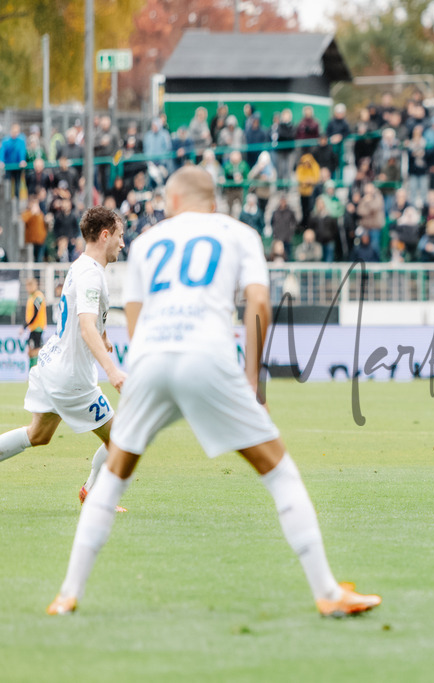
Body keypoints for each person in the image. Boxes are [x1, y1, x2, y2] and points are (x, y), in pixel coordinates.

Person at [46, 167, 380, 618]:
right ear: (213, 199)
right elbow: (259, 303)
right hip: (208, 354)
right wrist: (252, 376)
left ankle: (67, 594)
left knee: (114, 476)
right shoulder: (239, 233)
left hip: (153, 359)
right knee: (279, 473)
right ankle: (326, 591)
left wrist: (143, 369)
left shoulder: (148, 242)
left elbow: (134, 312)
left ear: (177, 199)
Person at [0, 207, 127, 512]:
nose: (123, 244)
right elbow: (85, 326)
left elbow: (89, 319)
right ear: (105, 235)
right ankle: (93, 494)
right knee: (123, 438)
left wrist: (105, 334)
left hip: (51, 366)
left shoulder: (81, 265)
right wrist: (112, 371)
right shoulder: (91, 276)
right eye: (120, 236)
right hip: (71, 377)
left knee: (38, 435)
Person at [23, 276, 46, 369]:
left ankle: (36, 371)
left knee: (35, 350)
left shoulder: (38, 296)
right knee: (30, 350)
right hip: (33, 327)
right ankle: (32, 371)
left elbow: (35, 313)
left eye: (28, 286)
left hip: (37, 327)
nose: (27, 288)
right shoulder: (31, 297)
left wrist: (25, 325)